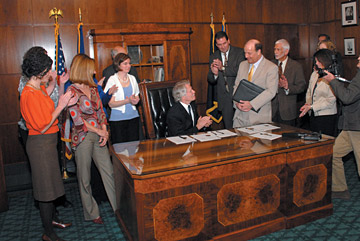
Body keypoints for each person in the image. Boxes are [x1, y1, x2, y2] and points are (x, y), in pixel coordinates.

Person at [20, 47, 74, 241]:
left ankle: (52, 221)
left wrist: (60, 85)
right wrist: (62, 105)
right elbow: (42, 126)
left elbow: (47, 95)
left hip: (47, 145)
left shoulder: (37, 88)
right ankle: (48, 233)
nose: (50, 75)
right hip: (40, 145)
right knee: (45, 191)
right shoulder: (28, 94)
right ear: (39, 73)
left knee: (51, 187)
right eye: (48, 72)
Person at [66, 54, 117, 224]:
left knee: (108, 171)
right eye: (92, 68)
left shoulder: (94, 88)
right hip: (82, 138)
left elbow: (101, 111)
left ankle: (118, 207)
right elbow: (78, 120)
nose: (95, 71)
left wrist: (104, 129)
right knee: (84, 177)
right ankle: (92, 212)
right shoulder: (71, 91)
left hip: (99, 135)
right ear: (83, 69)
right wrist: (98, 131)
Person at [322, 55, 360, 200]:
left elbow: (347, 97)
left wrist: (333, 81)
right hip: (351, 126)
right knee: (334, 153)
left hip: (357, 128)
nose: (358, 57)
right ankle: (339, 190)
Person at [233, 39, 278, 128]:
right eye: (245, 53)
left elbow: (271, 91)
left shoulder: (271, 68)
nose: (246, 56)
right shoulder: (242, 65)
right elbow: (236, 85)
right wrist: (236, 102)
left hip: (259, 119)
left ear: (258, 52)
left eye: (249, 53)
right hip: (239, 118)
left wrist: (252, 104)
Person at [207, 31, 245, 129]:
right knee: (229, 128)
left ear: (229, 41)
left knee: (241, 128)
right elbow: (210, 79)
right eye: (219, 45)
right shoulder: (213, 56)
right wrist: (215, 74)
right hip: (224, 99)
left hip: (239, 96)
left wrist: (222, 68)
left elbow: (240, 71)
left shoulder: (239, 53)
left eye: (224, 43)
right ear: (216, 45)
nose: (223, 47)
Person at [104, 53, 140, 144]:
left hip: (133, 117)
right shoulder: (112, 80)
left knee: (134, 148)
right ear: (118, 65)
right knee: (120, 150)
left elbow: (136, 97)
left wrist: (135, 100)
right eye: (125, 63)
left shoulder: (132, 78)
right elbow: (110, 103)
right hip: (118, 119)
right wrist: (127, 101)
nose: (128, 66)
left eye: (129, 63)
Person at [299, 49, 337, 136]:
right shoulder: (315, 74)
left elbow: (331, 100)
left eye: (317, 61)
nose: (316, 63)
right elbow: (309, 91)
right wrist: (307, 104)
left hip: (326, 116)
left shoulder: (332, 76)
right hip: (313, 115)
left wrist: (312, 106)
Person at [271, 39, 306, 126]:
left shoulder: (296, 66)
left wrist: (287, 87)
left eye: (278, 49)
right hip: (272, 110)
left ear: (286, 51)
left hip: (287, 111)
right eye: (274, 49)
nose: (275, 52)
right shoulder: (270, 65)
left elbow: (302, 86)